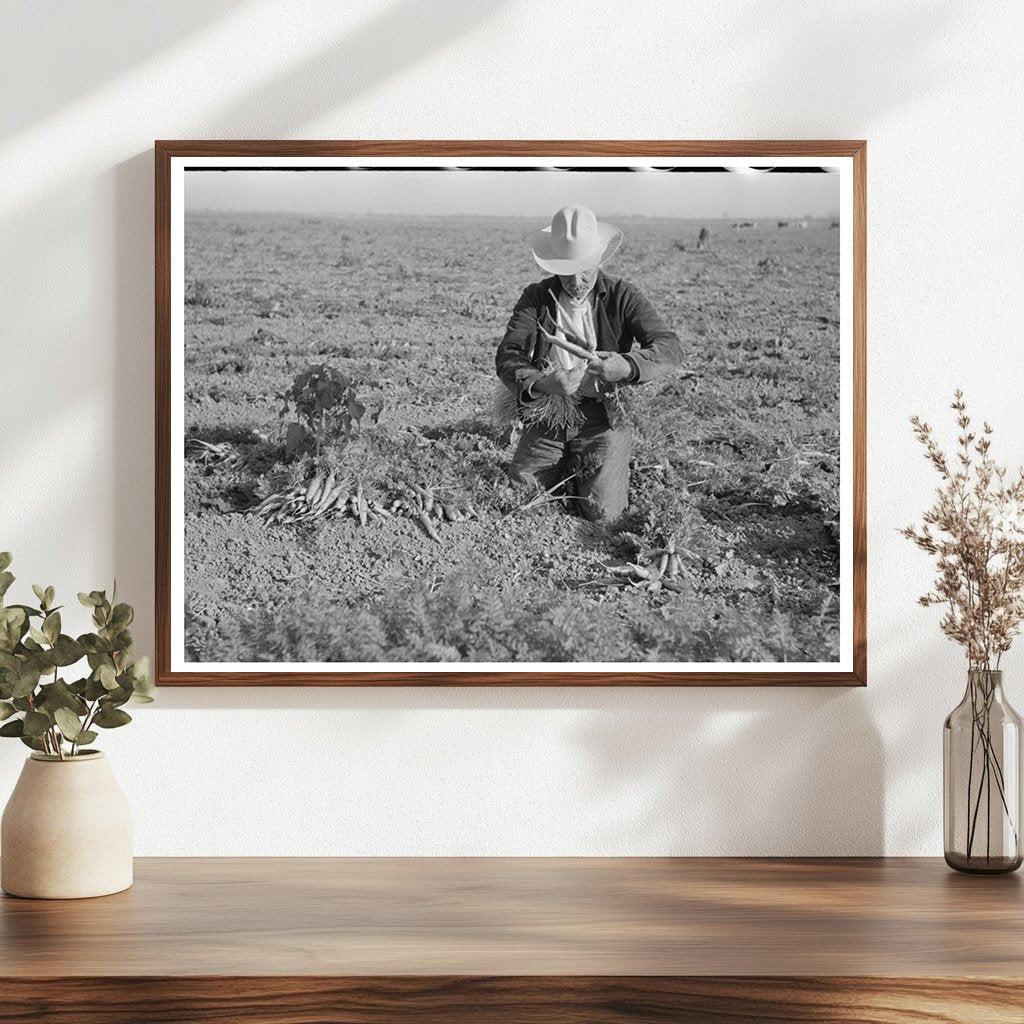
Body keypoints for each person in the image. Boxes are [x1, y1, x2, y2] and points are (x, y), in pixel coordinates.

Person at [495, 203, 683, 522]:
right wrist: (541, 384)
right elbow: (508, 354)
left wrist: (627, 366)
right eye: (568, 271)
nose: (577, 280)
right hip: (549, 416)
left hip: (603, 418)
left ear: (598, 259)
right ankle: (565, 464)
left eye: (585, 269)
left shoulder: (623, 296)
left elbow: (669, 347)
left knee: (603, 516)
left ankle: (584, 470)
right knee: (518, 501)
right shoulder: (536, 298)